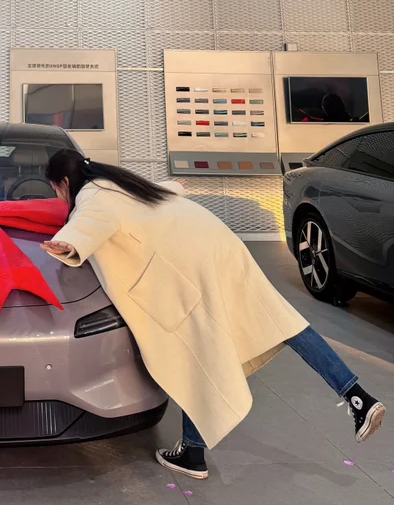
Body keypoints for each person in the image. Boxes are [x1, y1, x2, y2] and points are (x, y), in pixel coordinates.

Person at [40, 150, 385, 481]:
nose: (57, 196)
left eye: (55, 189)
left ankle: (193, 454)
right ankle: (358, 398)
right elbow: (161, 189)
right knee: (282, 321)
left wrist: (69, 242)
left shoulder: (92, 196)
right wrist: (173, 188)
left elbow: (90, 221)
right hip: (219, 244)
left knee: (194, 354)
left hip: (192, 265)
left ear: (63, 183)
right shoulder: (114, 181)